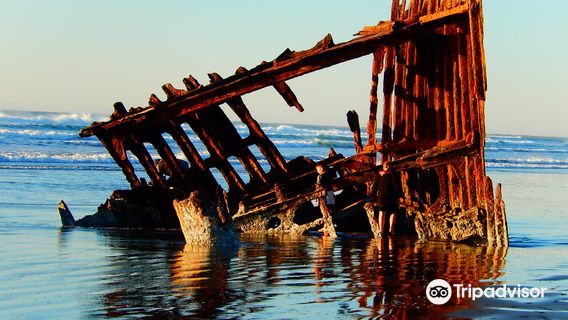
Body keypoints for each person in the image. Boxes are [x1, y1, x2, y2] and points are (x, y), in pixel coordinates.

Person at [376, 161, 399, 235]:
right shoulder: (393, 175)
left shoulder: (379, 175)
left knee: (382, 212)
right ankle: (391, 230)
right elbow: (396, 187)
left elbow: (375, 186)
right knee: (393, 212)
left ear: (383, 167)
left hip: (381, 197)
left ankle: (381, 230)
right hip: (391, 197)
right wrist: (398, 195)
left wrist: (372, 196)